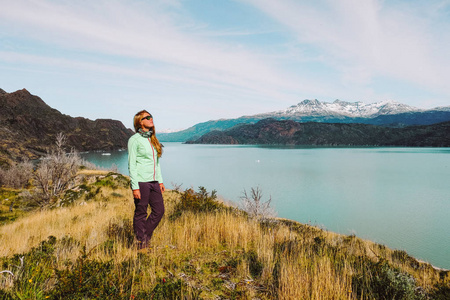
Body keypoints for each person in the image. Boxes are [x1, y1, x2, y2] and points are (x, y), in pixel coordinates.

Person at [128, 110, 165, 250]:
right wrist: (135, 186)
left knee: (159, 211)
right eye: (147, 117)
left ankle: (143, 236)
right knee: (141, 212)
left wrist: (160, 181)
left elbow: (157, 163)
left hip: (154, 181)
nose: (151, 119)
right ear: (140, 122)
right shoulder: (134, 140)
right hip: (141, 182)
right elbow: (131, 164)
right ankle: (141, 243)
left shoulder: (152, 138)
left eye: (151, 117)